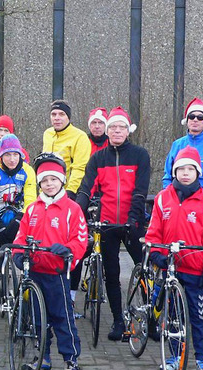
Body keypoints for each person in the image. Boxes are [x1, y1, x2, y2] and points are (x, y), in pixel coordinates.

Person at [76, 106, 150, 341]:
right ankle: (118, 320)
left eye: (121, 127)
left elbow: (140, 191)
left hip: (133, 223)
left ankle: (153, 319)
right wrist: (77, 210)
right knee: (112, 273)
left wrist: (133, 219)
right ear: (107, 131)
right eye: (113, 127)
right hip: (107, 223)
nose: (117, 131)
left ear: (128, 131)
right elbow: (86, 187)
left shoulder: (140, 155)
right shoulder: (98, 157)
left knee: (144, 270)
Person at [12, 152, 88, 370]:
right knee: (37, 318)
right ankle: (42, 357)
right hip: (35, 271)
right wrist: (18, 254)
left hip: (57, 273)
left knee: (62, 317)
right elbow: (21, 236)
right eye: (44, 180)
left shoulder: (72, 209)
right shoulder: (32, 209)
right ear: (39, 184)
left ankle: (70, 358)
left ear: (62, 181)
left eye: (53, 179)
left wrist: (68, 250)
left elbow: (80, 238)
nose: (49, 184)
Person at [146, 146, 203, 370]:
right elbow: (154, 232)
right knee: (173, 314)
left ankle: (202, 358)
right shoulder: (163, 198)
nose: (185, 173)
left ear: (197, 172)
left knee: (198, 316)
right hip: (170, 266)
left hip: (196, 270)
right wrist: (156, 253)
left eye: (190, 169)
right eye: (180, 169)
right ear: (174, 172)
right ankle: (174, 356)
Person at [162, 97, 203, 326]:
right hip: (179, 207)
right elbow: (167, 176)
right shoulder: (177, 144)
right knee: (176, 257)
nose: (195, 120)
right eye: (192, 116)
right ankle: (173, 313)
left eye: (200, 117)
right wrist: (168, 199)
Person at [0, 134, 36, 311]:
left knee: (28, 255)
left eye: (15, 155)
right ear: (1, 156)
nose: (11, 159)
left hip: (17, 217)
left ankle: (28, 297)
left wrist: (20, 218)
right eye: (7, 155)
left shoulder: (28, 171)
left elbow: (31, 201)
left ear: (20, 155)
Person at [69, 107, 109, 313]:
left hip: (105, 197)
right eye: (93, 123)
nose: (97, 126)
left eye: (101, 123)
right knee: (80, 245)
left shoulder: (112, 144)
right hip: (83, 193)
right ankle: (72, 295)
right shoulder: (83, 142)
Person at [42, 100, 91, 200]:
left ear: (68, 117)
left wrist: (70, 191)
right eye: (53, 114)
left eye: (61, 114)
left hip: (67, 193)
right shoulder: (47, 134)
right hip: (46, 192)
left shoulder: (80, 136)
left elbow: (80, 168)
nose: (57, 118)